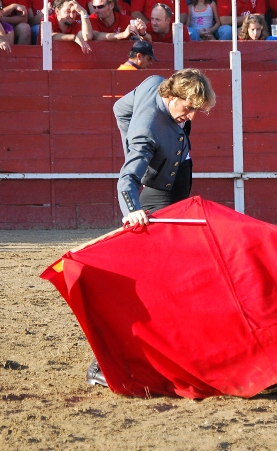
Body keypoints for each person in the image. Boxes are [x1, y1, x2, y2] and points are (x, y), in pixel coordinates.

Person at [86, 69, 216, 388]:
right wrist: (133, 212)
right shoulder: (146, 131)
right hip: (159, 202)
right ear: (170, 98)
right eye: (187, 109)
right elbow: (127, 180)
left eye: (196, 111)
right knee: (160, 286)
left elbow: (119, 109)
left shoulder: (156, 83)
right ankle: (103, 364)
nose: (190, 117)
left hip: (174, 196)